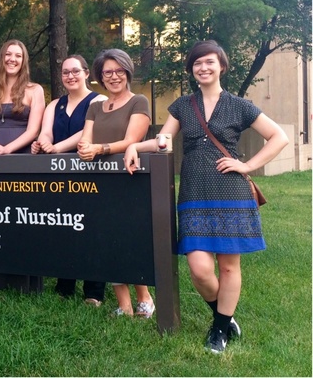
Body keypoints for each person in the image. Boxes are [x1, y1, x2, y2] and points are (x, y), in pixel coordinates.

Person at [124, 40, 289, 353]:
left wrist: (247, 165)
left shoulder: (240, 105)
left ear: (221, 66)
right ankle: (223, 317)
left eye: (209, 62)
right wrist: (133, 146)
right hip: (194, 193)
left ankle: (219, 331)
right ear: (192, 69)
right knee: (199, 270)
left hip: (231, 192)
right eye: (197, 63)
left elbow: (278, 137)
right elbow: (163, 140)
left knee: (228, 266)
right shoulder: (183, 106)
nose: (203, 67)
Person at [77, 48, 155, 318]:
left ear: (127, 72)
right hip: (99, 182)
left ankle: (145, 297)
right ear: (100, 76)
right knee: (107, 239)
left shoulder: (139, 102)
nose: (113, 76)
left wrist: (98, 149)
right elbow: (85, 139)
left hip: (129, 178)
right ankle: (124, 304)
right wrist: (85, 148)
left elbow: (131, 140)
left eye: (118, 70)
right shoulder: (95, 106)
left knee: (129, 239)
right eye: (107, 72)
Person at [31, 54, 107, 306]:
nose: (70, 76)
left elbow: (88, 133)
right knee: (64, 227)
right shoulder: (54, 105)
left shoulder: (99, 100)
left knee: (92, 230)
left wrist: (57, 148)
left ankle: (93, 291)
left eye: (75, 71)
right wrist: (41, 143)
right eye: (65, 72)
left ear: (87, 73)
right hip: (61, 176)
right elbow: (45, 132)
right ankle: (65, 286)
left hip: (91, 174)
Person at [0, 39, 45, 290]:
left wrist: (7, 149)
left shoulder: (34, 90)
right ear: (1, 58)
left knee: (25, 218)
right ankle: (0, 280)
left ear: (24, 60)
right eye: (8, 54)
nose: (12, 59)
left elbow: (33, 130)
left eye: (18, 55)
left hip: (22, 158)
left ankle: (29, 281)